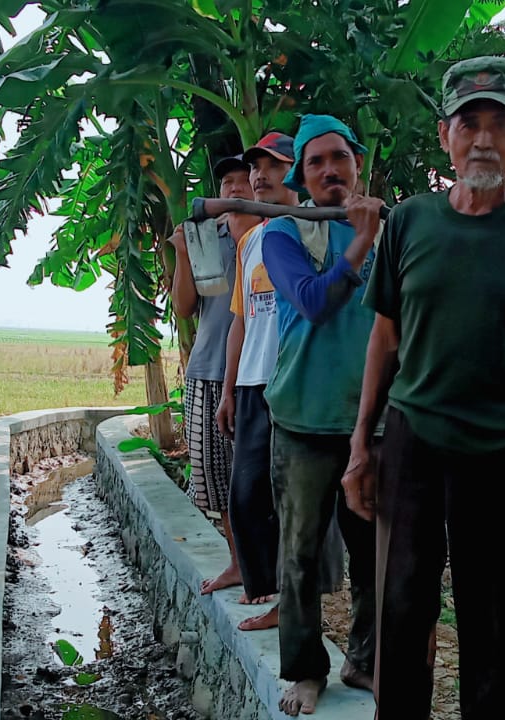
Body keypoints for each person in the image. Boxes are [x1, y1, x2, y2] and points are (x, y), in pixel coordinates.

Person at [343, 56, 505, 719]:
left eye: (499, 124)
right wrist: (361, 446)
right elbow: (384, 340)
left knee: (502, 626)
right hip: (413, 446)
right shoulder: (409, 224)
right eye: (469, 123)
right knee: (403, 609)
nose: (484, 139)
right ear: (445, 134)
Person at [262, 114, 382, 715]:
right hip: (304, 420)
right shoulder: (283, 232)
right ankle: (306, 669)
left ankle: (364, 661)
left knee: (374, 553)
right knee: (300, 550)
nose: (330, 170)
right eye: (316, 163)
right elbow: (311, 303)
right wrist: (356, 244)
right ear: (303, 176)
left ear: (357, 163)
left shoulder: (389, 234)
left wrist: (369, 236)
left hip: (374, 422)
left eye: (339, 157)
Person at [216, 131, 300, 631]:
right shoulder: (252, 242)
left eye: (273, 165)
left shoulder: (313, 232)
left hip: (291, 381)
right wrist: (229, 389)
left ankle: (286, 599)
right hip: (252, 383)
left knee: (289, 497)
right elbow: (243, 321)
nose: (260, 175)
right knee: (246, 493)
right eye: (256, 167)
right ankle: (265, 586)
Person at [168, 155, 256, 595]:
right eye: (227, 182)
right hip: (208, 369)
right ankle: (239, 563)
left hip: (256, 374)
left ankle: (262, 569)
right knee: (218, 480)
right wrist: (183, 253)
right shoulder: (207, 237)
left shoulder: (271, 235)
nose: (236, 189)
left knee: (256, 478)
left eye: (244, 181)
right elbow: (186, 306)